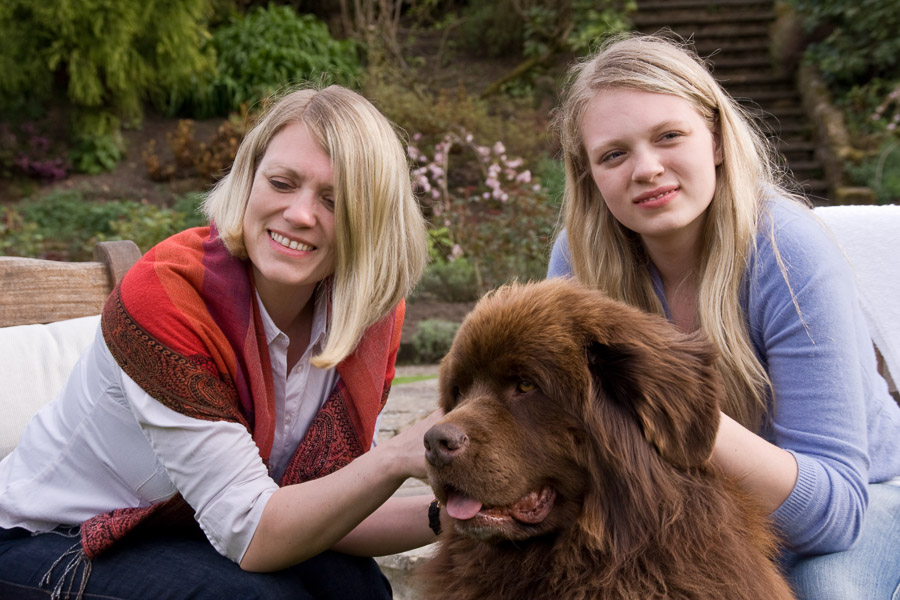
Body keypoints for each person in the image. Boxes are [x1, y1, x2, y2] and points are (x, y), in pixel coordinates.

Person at [0, 85, 443, 599]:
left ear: (370, 222)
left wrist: (461, 515)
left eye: (334, 201)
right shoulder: (167, 301)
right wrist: (393, 458)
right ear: (249, 178)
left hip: (190, 530)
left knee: (355, 586)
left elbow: (327, 507)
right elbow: (253, 533)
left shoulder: (364, 318)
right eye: (281, 182)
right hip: (44, 541)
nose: (300, 214)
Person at [548, 33, 900, 599]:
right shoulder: (579, 257)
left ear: (714, 137)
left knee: (822, 590)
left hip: (866, 497)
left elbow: (832, 516)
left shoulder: (789, 255)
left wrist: (669, 402)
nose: (646, 169)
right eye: (613, 154)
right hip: (689, 497)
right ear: (589, 174)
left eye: (669, 136)